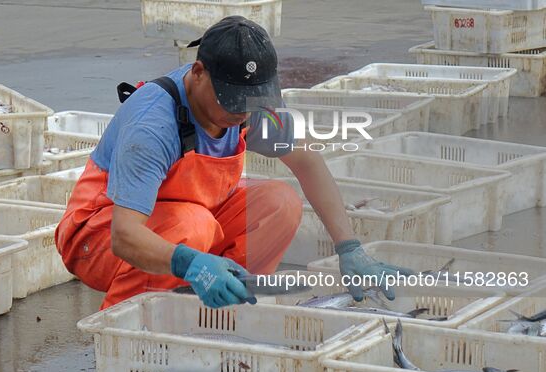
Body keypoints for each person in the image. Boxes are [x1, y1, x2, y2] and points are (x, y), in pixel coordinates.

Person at [55, 15, 409, 310]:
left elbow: (307, 162)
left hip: (184, 220)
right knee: (192, 227)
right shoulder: (154, 124)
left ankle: (225, 308)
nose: (240, 112)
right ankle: (133, 333)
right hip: (97, 235)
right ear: (197, 73)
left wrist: (349, 248)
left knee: (279, 203)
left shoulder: (248, 108)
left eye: (249, 102)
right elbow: (125, 235)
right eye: (231, 101)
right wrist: (191, 263)